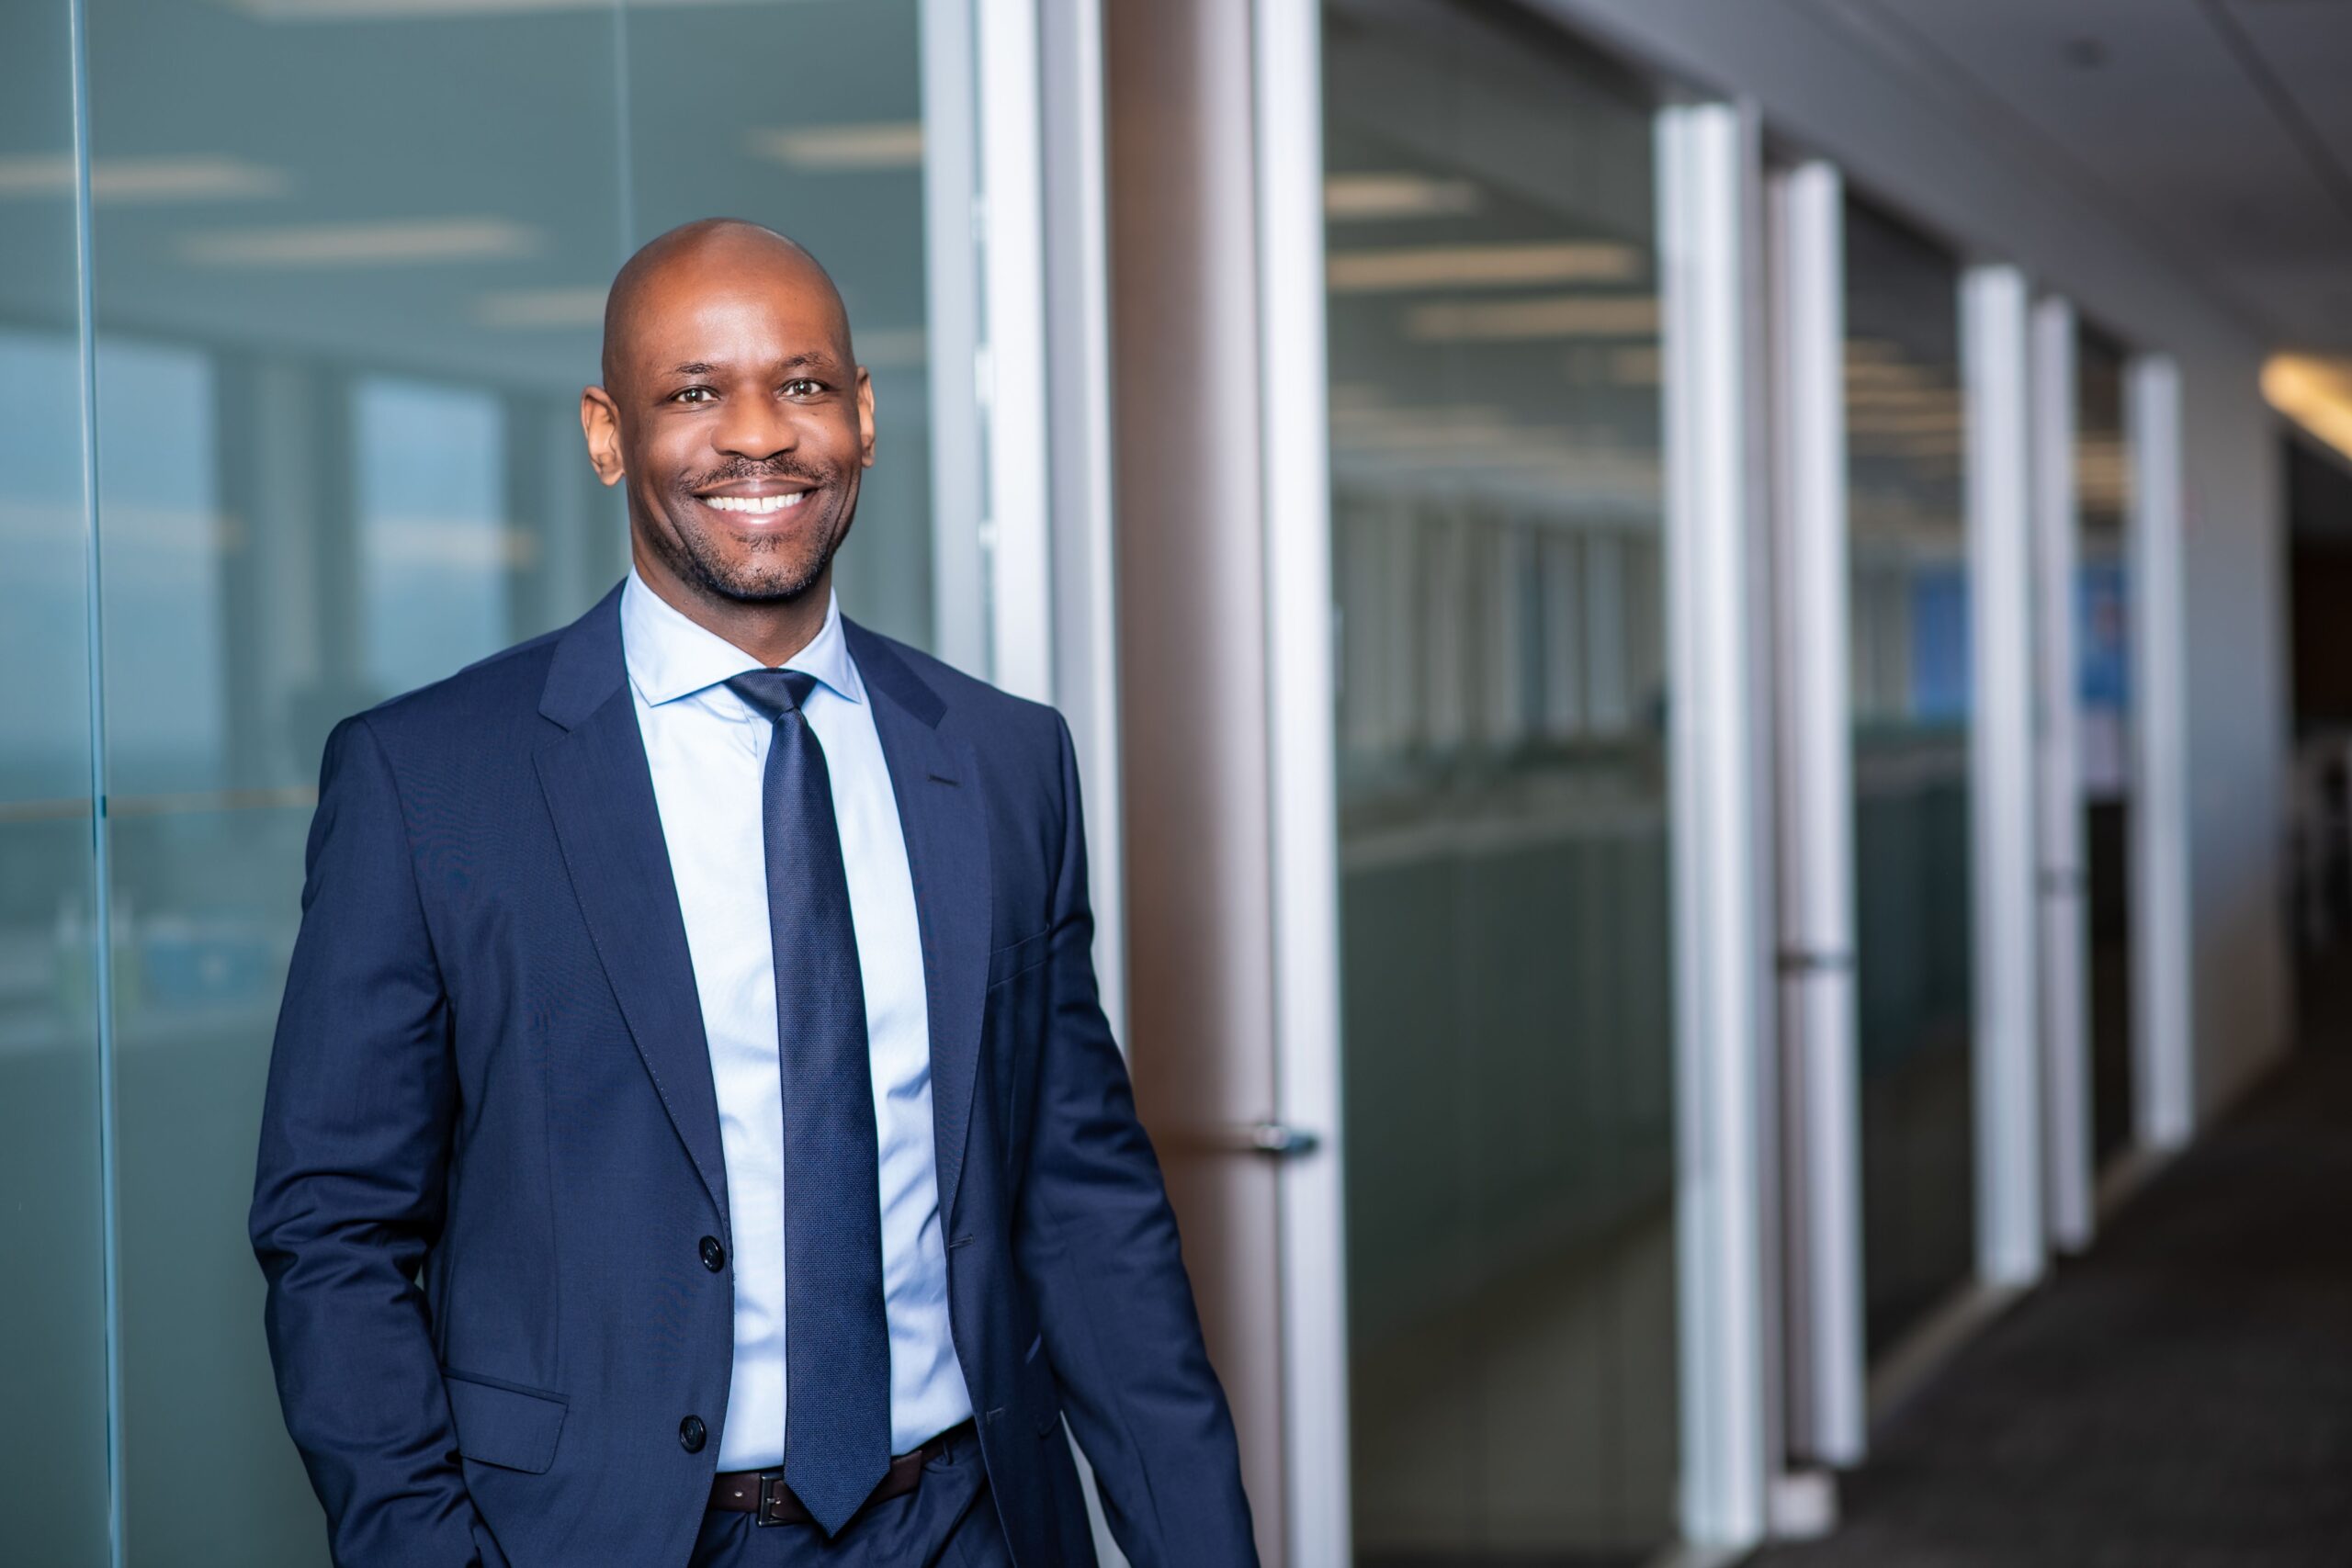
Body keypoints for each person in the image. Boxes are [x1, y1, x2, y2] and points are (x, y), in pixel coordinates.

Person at [249, 218, 1256, 1568]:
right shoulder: (430, 783)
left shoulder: (1005, 761)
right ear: (609, 435)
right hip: (616, 1540)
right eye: (693, 393)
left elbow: (1083, 1206)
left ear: (864, 417)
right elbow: (336, 1236)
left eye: (802, 385)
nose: (759, 437)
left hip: (969, 1523)